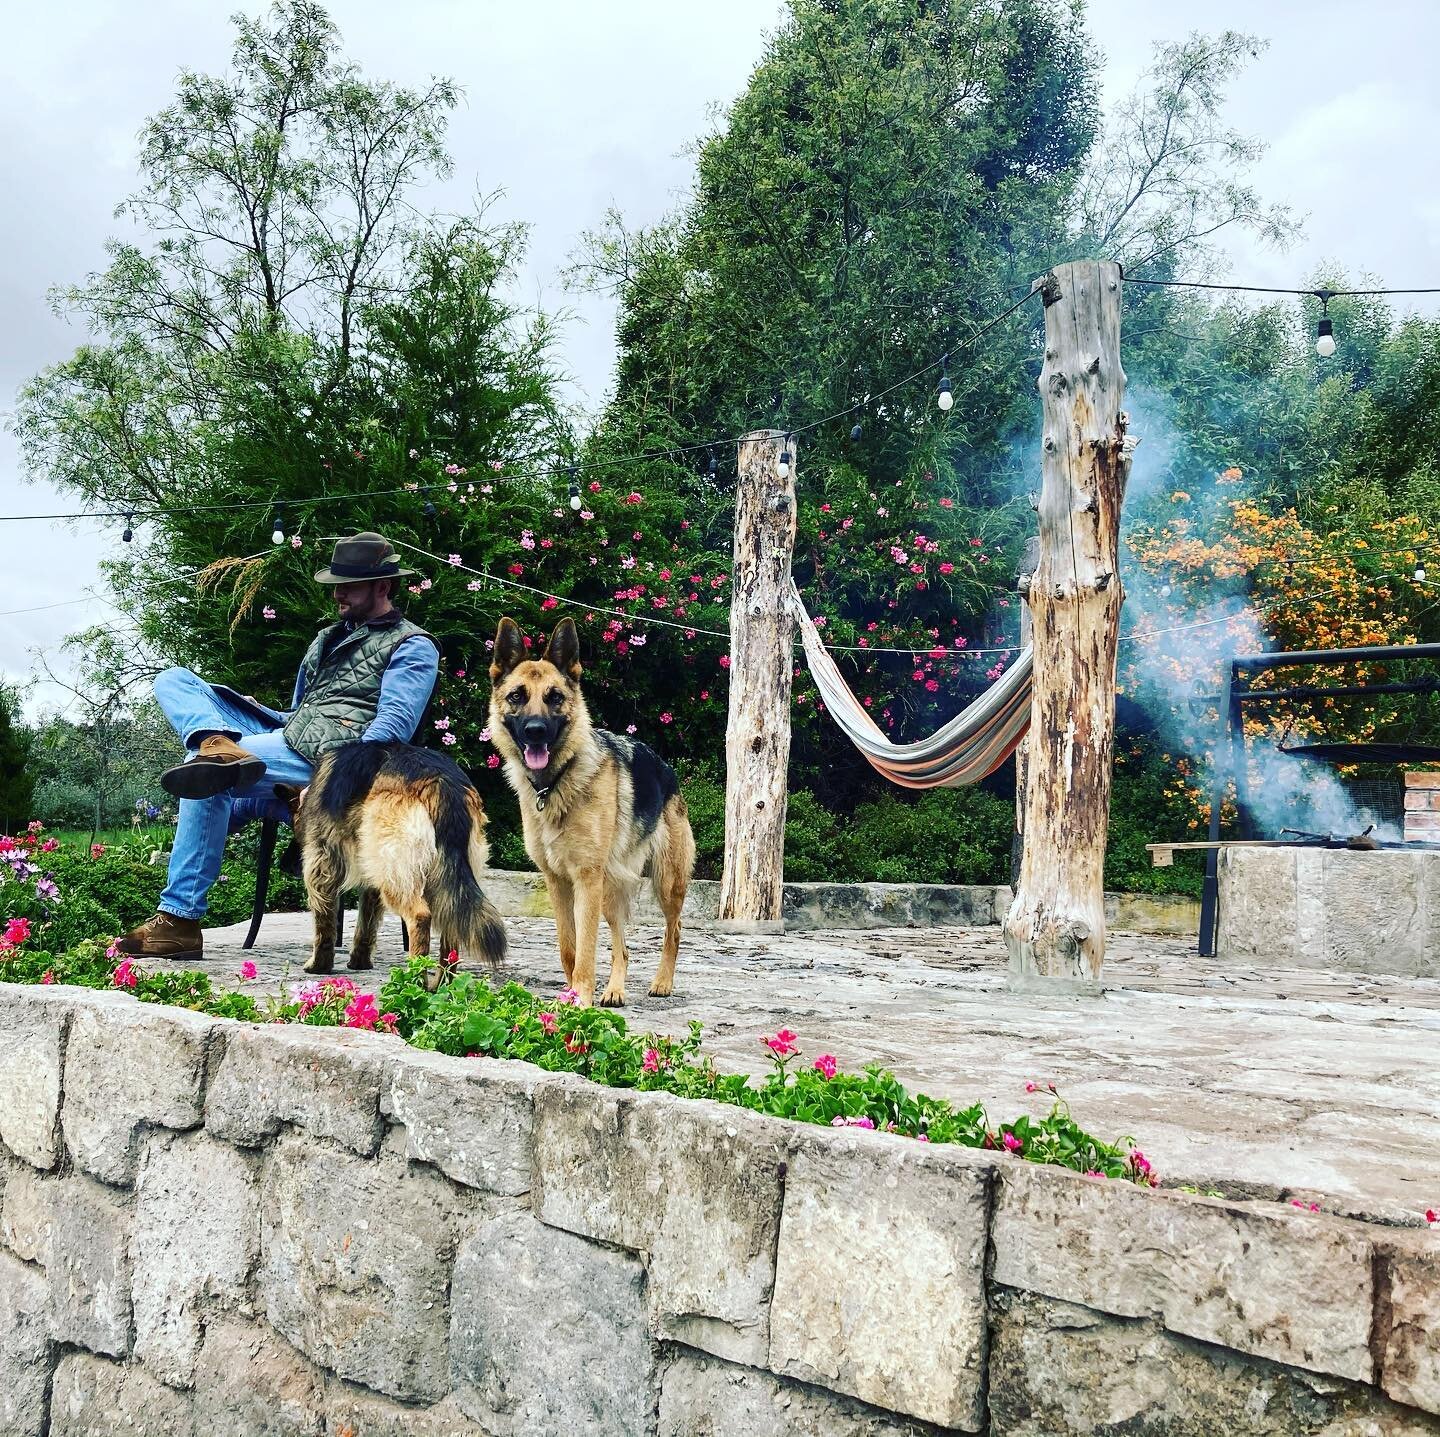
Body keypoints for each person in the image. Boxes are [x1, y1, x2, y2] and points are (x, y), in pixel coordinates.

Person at [116, 532, 440, 963]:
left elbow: (393, 727)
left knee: (205, 778)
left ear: (383, 586)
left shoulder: (413, 645)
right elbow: (303, 712)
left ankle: (180, 920)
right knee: (173, 679)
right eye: (335, 584)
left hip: (337, 761)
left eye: (349, 584)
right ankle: (218, 742)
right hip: (294, 735)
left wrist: (334, 780)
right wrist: (260, 711)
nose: (338, 592)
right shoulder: (326, 637)